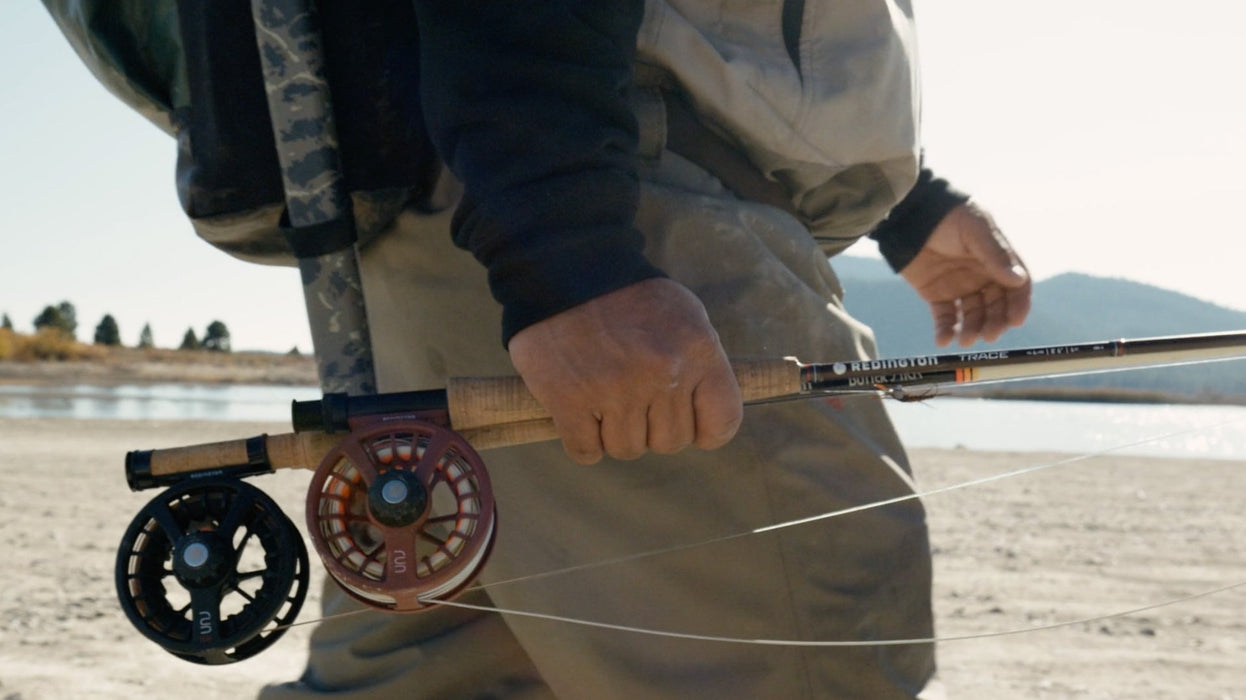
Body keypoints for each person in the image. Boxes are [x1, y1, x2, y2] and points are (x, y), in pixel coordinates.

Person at [46, 1, 1030, 697]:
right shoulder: (566, 227)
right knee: (817, 665)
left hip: (476, 210)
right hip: (608, 208)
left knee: (438, 669)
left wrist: (904, 201)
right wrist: (568, 252)